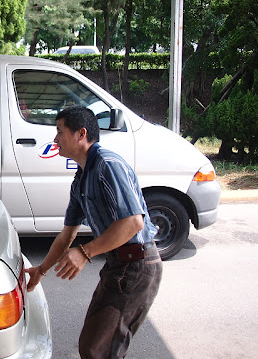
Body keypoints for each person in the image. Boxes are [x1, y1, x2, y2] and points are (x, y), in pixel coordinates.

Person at [26, 105, 162, 359]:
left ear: (81, 134)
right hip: (118, 266)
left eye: (60, 132)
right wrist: (41, 270)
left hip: (137, 265)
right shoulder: (81, 178)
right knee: (94, 346)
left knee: (98, 349)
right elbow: (67, 236)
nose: (55, 139)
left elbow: (133, 222)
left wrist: (85, 253)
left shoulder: (107, 165)